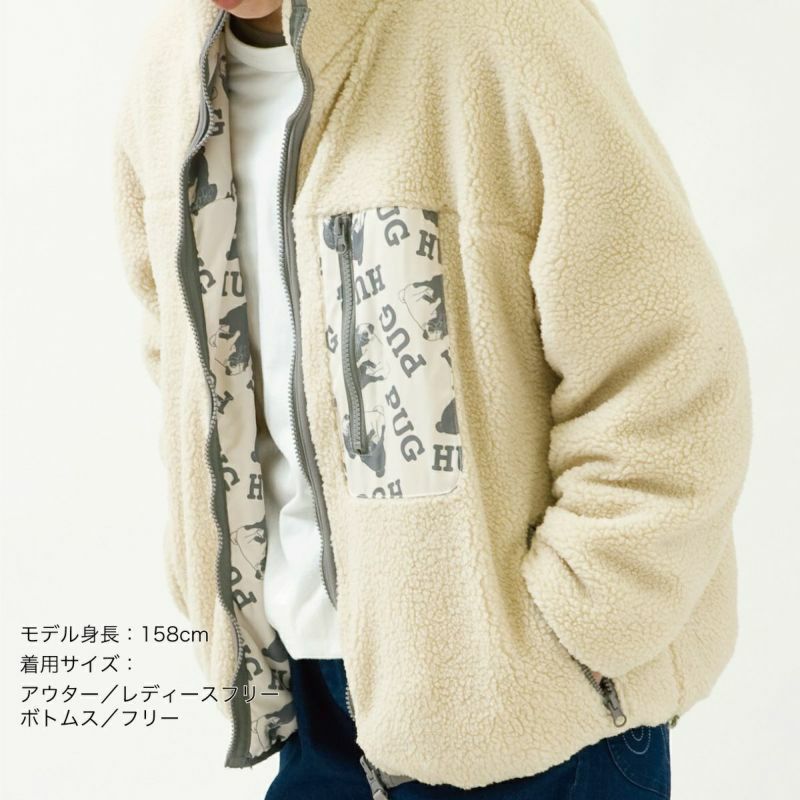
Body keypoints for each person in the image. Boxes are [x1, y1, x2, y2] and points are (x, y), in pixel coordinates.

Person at [110, 0, 753, 797]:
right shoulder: (169, 77)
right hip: (311, 705)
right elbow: (178, 353)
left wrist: (578, 624)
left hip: (533, 723)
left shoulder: (504, 27)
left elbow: (668, 366)